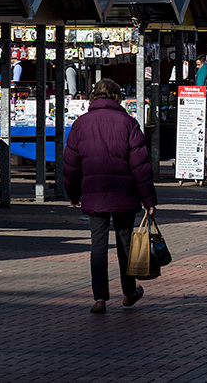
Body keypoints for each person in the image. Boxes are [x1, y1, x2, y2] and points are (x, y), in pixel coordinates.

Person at [63, 78, 157, 314]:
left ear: (94, 97)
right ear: (117, 98)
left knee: (98, 244)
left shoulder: (80, 125)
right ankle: (128, 292)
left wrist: (73, 194)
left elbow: (71, 165)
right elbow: (140, 166)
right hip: (124, 192)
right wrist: (148, 200)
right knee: (125, 242)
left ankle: (99, 299)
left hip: (94, 192)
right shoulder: (128, 123)